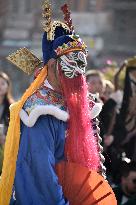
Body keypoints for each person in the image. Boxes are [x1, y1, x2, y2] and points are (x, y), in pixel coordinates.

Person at [0, 2, 116, 205]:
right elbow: (39, 176)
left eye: (82, 65)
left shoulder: (80, 105)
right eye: (72, 64)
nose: (79, 74)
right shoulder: (40, 112)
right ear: (52, 65)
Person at [0, 71, 14, 173]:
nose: (0, 86)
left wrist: (6, 137)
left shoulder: (12, 106)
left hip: (6, 144)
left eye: (2, 83)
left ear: (7, 86)